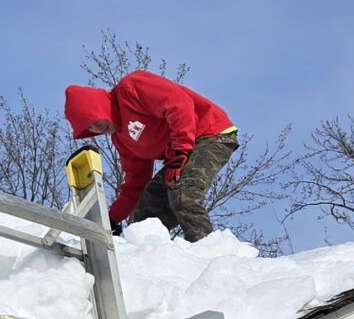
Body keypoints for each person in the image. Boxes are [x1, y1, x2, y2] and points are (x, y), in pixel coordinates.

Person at [62, 72, 239, 241]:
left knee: (183, 192)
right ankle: (150, 262)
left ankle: (206, 250)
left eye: (94, 119)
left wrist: (180, 151)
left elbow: (178, 104)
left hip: (210, 134)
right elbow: (136, 184)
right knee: (143, 217)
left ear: (98, 106)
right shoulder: (122, 140)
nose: (96, 128)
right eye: (89, 128)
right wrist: (112, 219)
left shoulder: (131, 89)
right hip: (181, 154)